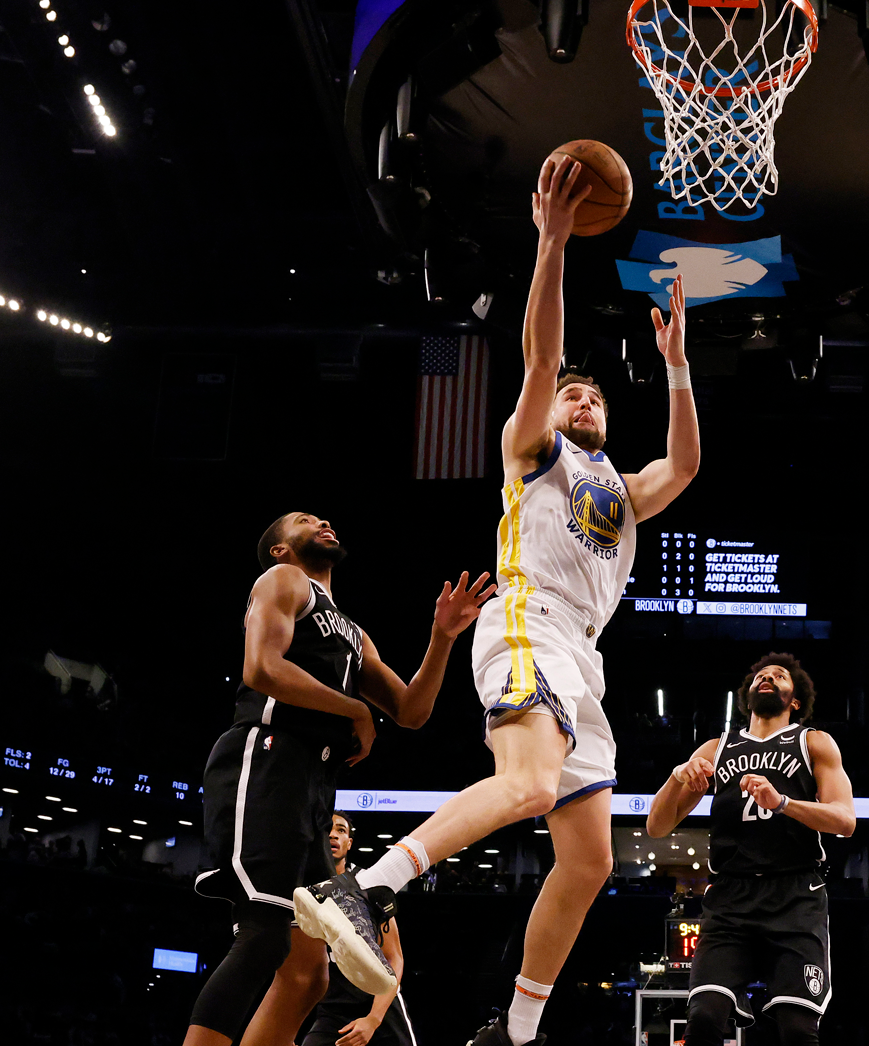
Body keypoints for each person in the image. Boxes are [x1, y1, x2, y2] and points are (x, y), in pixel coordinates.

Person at [294, 154, 700, 1046]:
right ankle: (367, 888)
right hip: (528, 617)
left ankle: (512, 1031)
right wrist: (552, 242)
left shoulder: (623, 490)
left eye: (594, 394)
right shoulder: (534, 449)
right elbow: (543, 354)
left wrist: (675, 366)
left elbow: (686, 466)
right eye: (571, 394)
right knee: (525, 784)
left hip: (583, 658)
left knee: (590, 859)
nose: (581, 396)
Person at [184, 512, 492, 1046]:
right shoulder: (283, 581)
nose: (323, 521)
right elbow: (261, 668)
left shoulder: (349, 628)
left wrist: (442, 637)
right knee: (262, 940)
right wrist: (354, 710)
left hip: (314, 782)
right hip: (267, 757)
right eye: (304, 521)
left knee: (309, 975)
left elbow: (411, 711)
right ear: (280, 549)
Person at [645, 653, 856, 1046]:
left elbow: (845, 821)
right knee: (705, 1019)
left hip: (795, 896)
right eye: (762, 675)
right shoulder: (716, 747)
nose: (769, 679)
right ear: (748, 695)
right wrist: (676, 778)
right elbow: (656, 826)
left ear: (795, 700)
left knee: (797, 1030)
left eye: (780, 676)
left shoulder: (813, 742)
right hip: (730, 897)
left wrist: (783, 804)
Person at [299, 813, 417, 1046]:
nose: (333, 834)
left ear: (349, 843)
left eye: (341, 830)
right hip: (331, 1009)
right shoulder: (303, 890)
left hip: (379, 1005)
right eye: (327, 829)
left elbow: (394, 959)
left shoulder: (368, 883)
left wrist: (373, 1020)